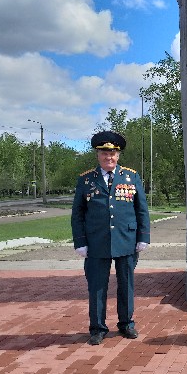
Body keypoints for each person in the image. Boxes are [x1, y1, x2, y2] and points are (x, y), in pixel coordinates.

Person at [71, 131, 150, 345]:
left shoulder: (131, 177)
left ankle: (126, 324)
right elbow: (78, 214)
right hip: (97, 241)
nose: (109, 157)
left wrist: (143, 236)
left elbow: (141, 209)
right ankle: (97, 328)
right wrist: (80, 242)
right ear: (98, 155)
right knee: (97, 286)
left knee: (126, 284)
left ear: (118, 155)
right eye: (105, 153)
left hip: (126, 239)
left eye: (113, 153)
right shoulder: (86, 179)